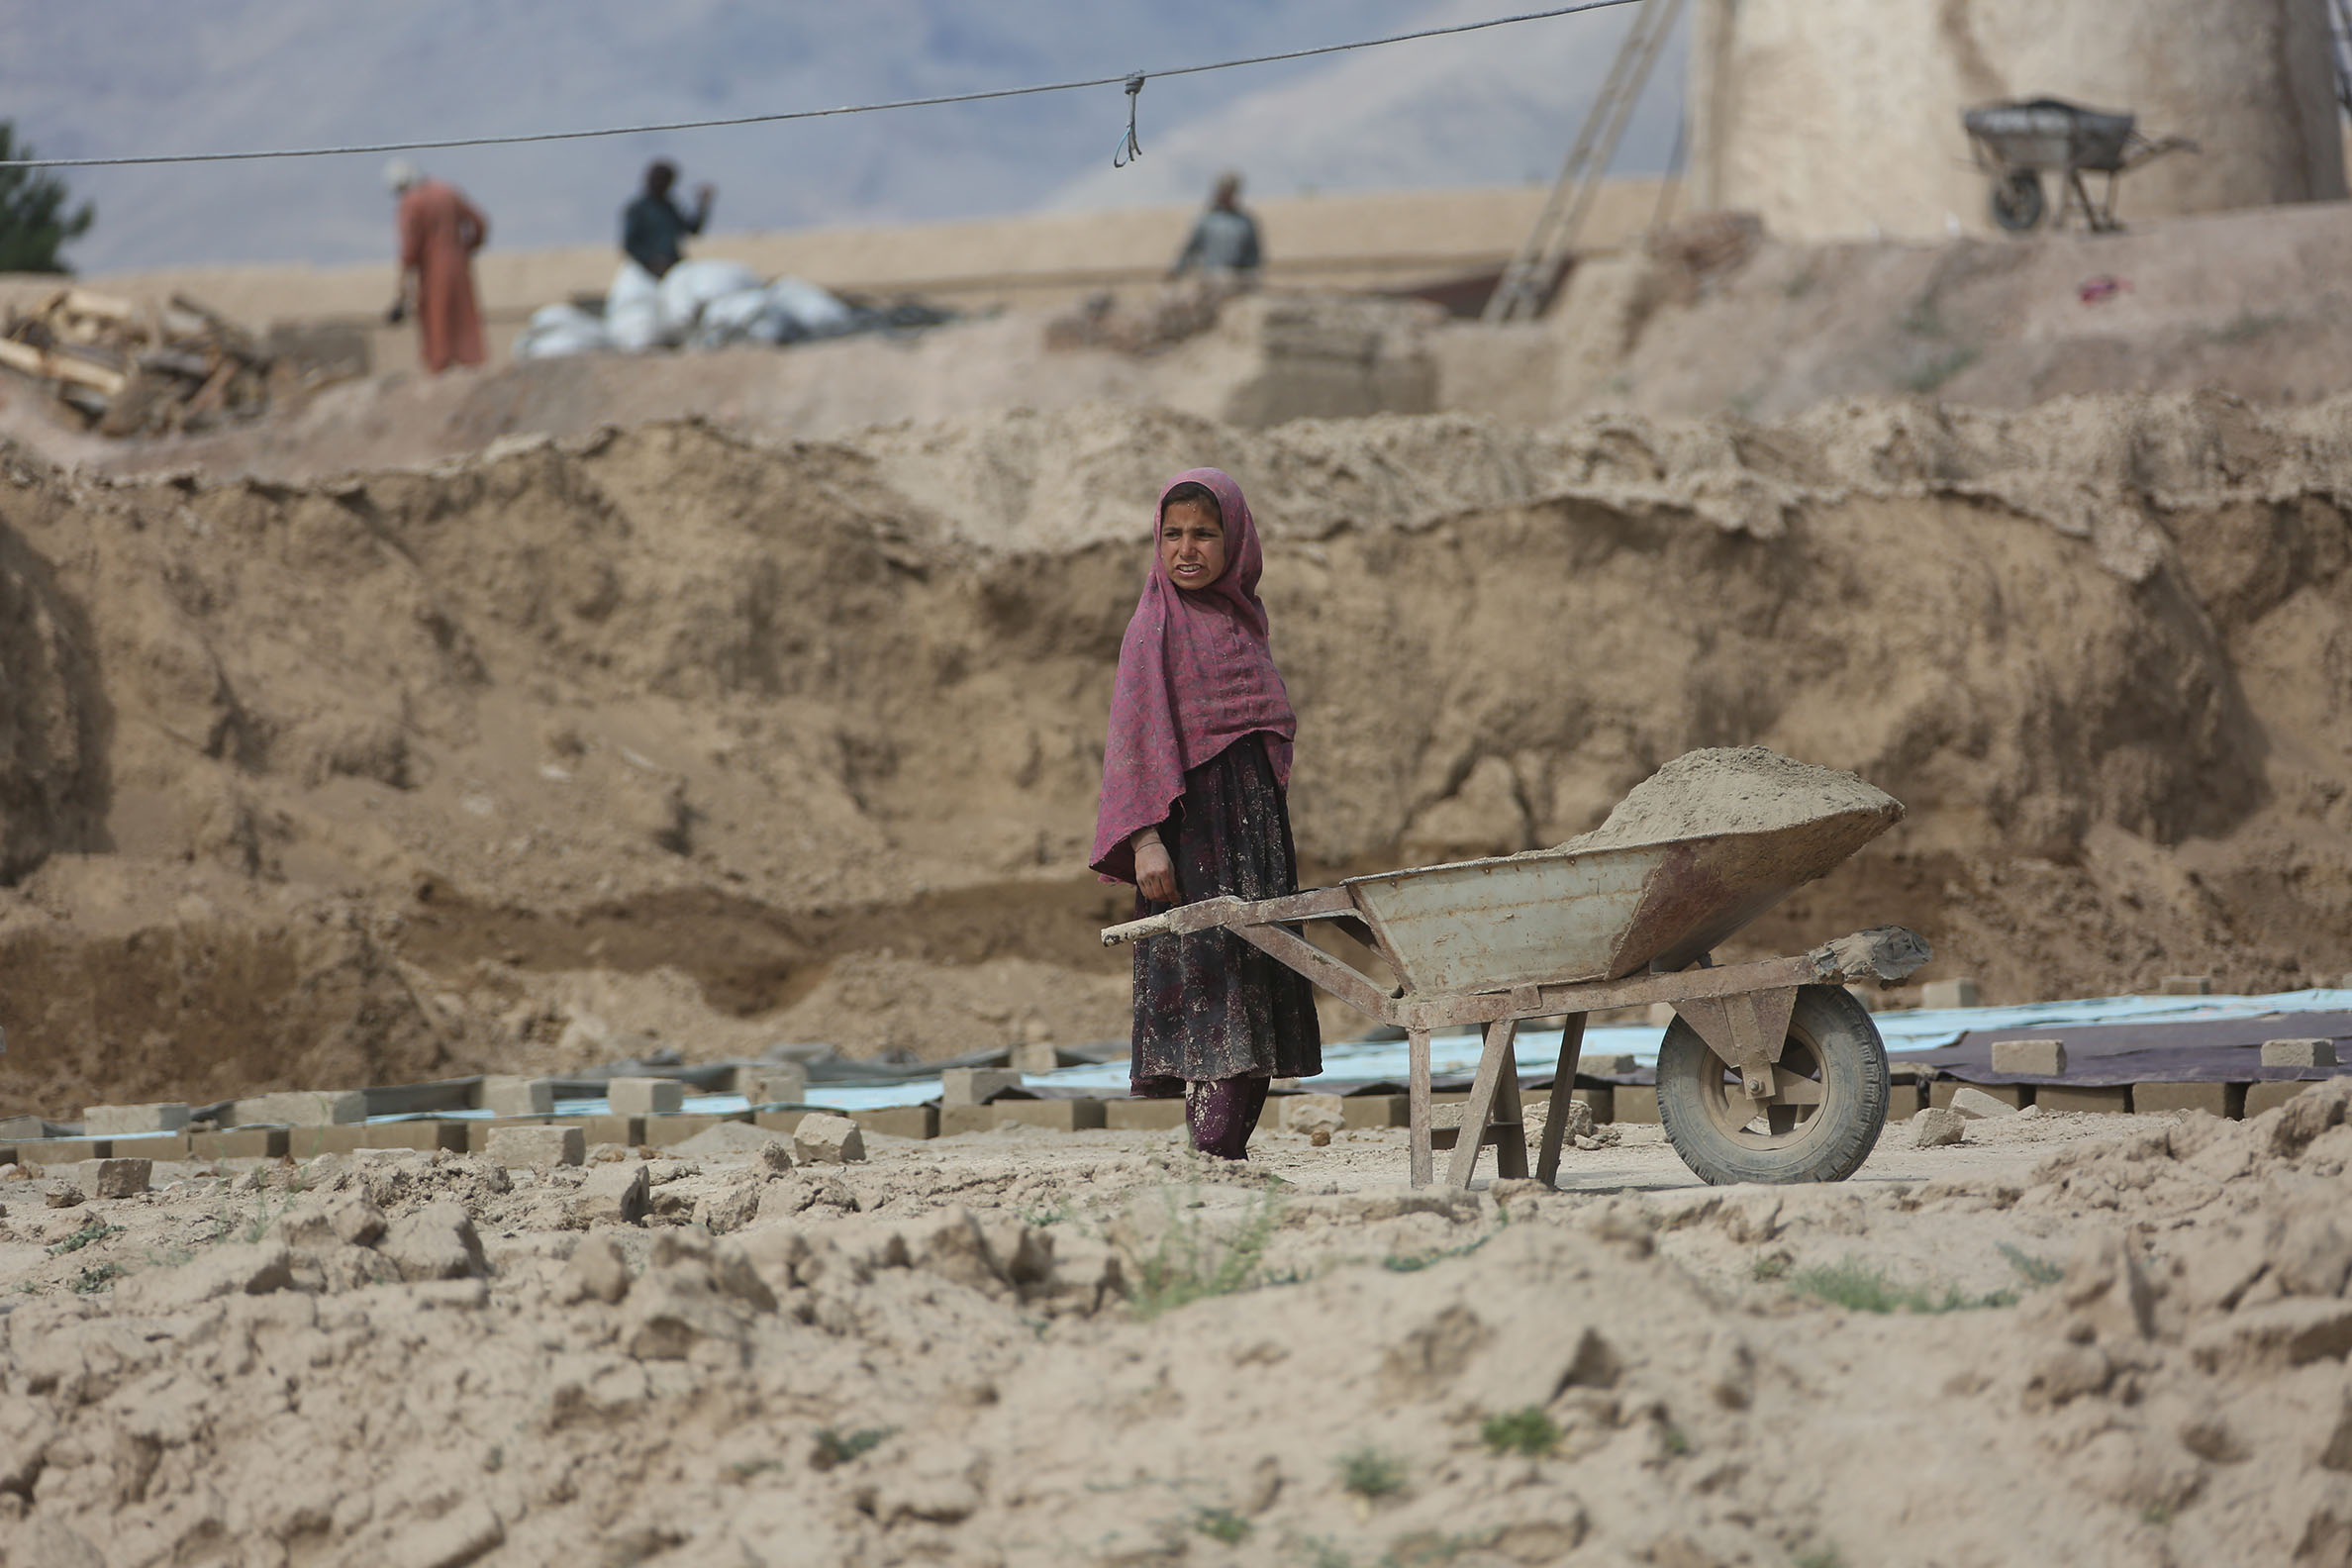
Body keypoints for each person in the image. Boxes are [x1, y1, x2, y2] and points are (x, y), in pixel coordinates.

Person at [1092, 469, 1322, 1160]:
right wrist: (1145, 842)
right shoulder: (1152, 628)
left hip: (1254, 831)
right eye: (1173, 535)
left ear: (1237, 542)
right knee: (1212, 989)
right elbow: (1133, 744)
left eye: (1204, 534)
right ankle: (1212, 1150)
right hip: (1190, 836)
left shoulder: (1242, 621)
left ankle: (1227, 1155)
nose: (1186, 549)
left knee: (1259, 977)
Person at [385, 161, 489, 373]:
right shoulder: (447, 191)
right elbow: (479, 223)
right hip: (460, 267)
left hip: (432, 271)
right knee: (465, 317)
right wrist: (465, 249)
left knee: (437, 320)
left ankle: (440, 371)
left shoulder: (411, 203)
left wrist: (403, 287)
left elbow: (409, 250)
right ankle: (472, 367)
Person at [622, 160, 716, 279]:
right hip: (647, 269)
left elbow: (693, 230)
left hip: (673, 264)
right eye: (657, 179)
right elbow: (630, 244)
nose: (660, 184)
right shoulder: (638, 209)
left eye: (664, 181)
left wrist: (702, 206)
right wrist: (650, 261)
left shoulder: (670, 207)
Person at [1169, 171, 1261, 280]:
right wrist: (1178, 270)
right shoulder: (1206, 220)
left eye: (1230, 190)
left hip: (1238, 279)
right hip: (1210, 277)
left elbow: (1253, 255)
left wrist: (1249, 274)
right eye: (1224, 190)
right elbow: (1190, 249)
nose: (1226, 194)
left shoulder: (1245, 222)